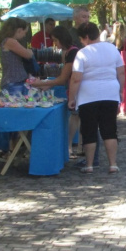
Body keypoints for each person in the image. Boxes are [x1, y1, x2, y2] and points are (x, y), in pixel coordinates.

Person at [68, 21, 125, 174]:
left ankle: (90, 165)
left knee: (89, 131)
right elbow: (121, 72)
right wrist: (120, 91)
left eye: (81, 38)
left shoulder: (83, 53)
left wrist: (71, 97)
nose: (80, 41)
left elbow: (76, 78)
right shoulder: (112, 49)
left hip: (88, 96)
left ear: (86, 37)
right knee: (110, 130)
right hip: (110, 93)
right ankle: (113, 164)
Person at [29, 26, 80, 158]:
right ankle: (70, 145)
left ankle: (69, 146)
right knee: (75, 117)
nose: (54, 44)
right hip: (73, 87)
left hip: (78, 88)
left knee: (76, 117)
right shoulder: (66, 52)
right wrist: (48, 84)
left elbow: (63, 78)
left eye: (56, 40)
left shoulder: (72, 52)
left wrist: (43, 83)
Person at [0, 17, 33, 96]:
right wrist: (30, 51)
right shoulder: (10, 41)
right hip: (13, 83)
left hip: (15, 81)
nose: (24, 35)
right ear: (19, 30)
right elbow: (28, 55)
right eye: (24, 32)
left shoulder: (8, 41)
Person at [113, 22, 126, 115]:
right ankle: (123, 108)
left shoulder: (112, 40)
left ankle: (116, 106)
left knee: (115, 87)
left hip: (115, 66)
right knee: (124, 87)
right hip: (125, 65)